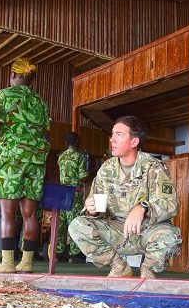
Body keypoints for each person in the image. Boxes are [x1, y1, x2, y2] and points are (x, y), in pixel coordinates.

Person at [68, 115, 182, 278]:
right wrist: (92, 209)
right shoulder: (106, 169)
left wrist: (143, 208)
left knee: (170, 237)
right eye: (112, 134)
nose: (112, 140)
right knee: (77, 225)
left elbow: (170, 204)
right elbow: (96, 206)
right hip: (118, 231)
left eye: (119, 135)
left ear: (134, 142)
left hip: (148, 231)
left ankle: (148, 269)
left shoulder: (153, 167)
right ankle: (119, 267)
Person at [0, 58, 50, 274]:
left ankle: (7, 263)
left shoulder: (4, 95)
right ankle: (27, 262)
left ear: (13, 75)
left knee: (8, 212)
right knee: (30, 213)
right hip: (36, 158)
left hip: (12, 157)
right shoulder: (41, 101)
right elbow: (46, 133)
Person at [56, 131, 89, 263]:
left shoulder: (61, 156)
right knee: (75, 222)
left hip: (61, 192)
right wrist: (92, 171)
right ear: (76, 142)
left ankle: (57, 253)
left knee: (61, 222)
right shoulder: (79, 157)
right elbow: (83, 176)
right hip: (74, 192)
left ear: (66, 143)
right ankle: (73, 255)